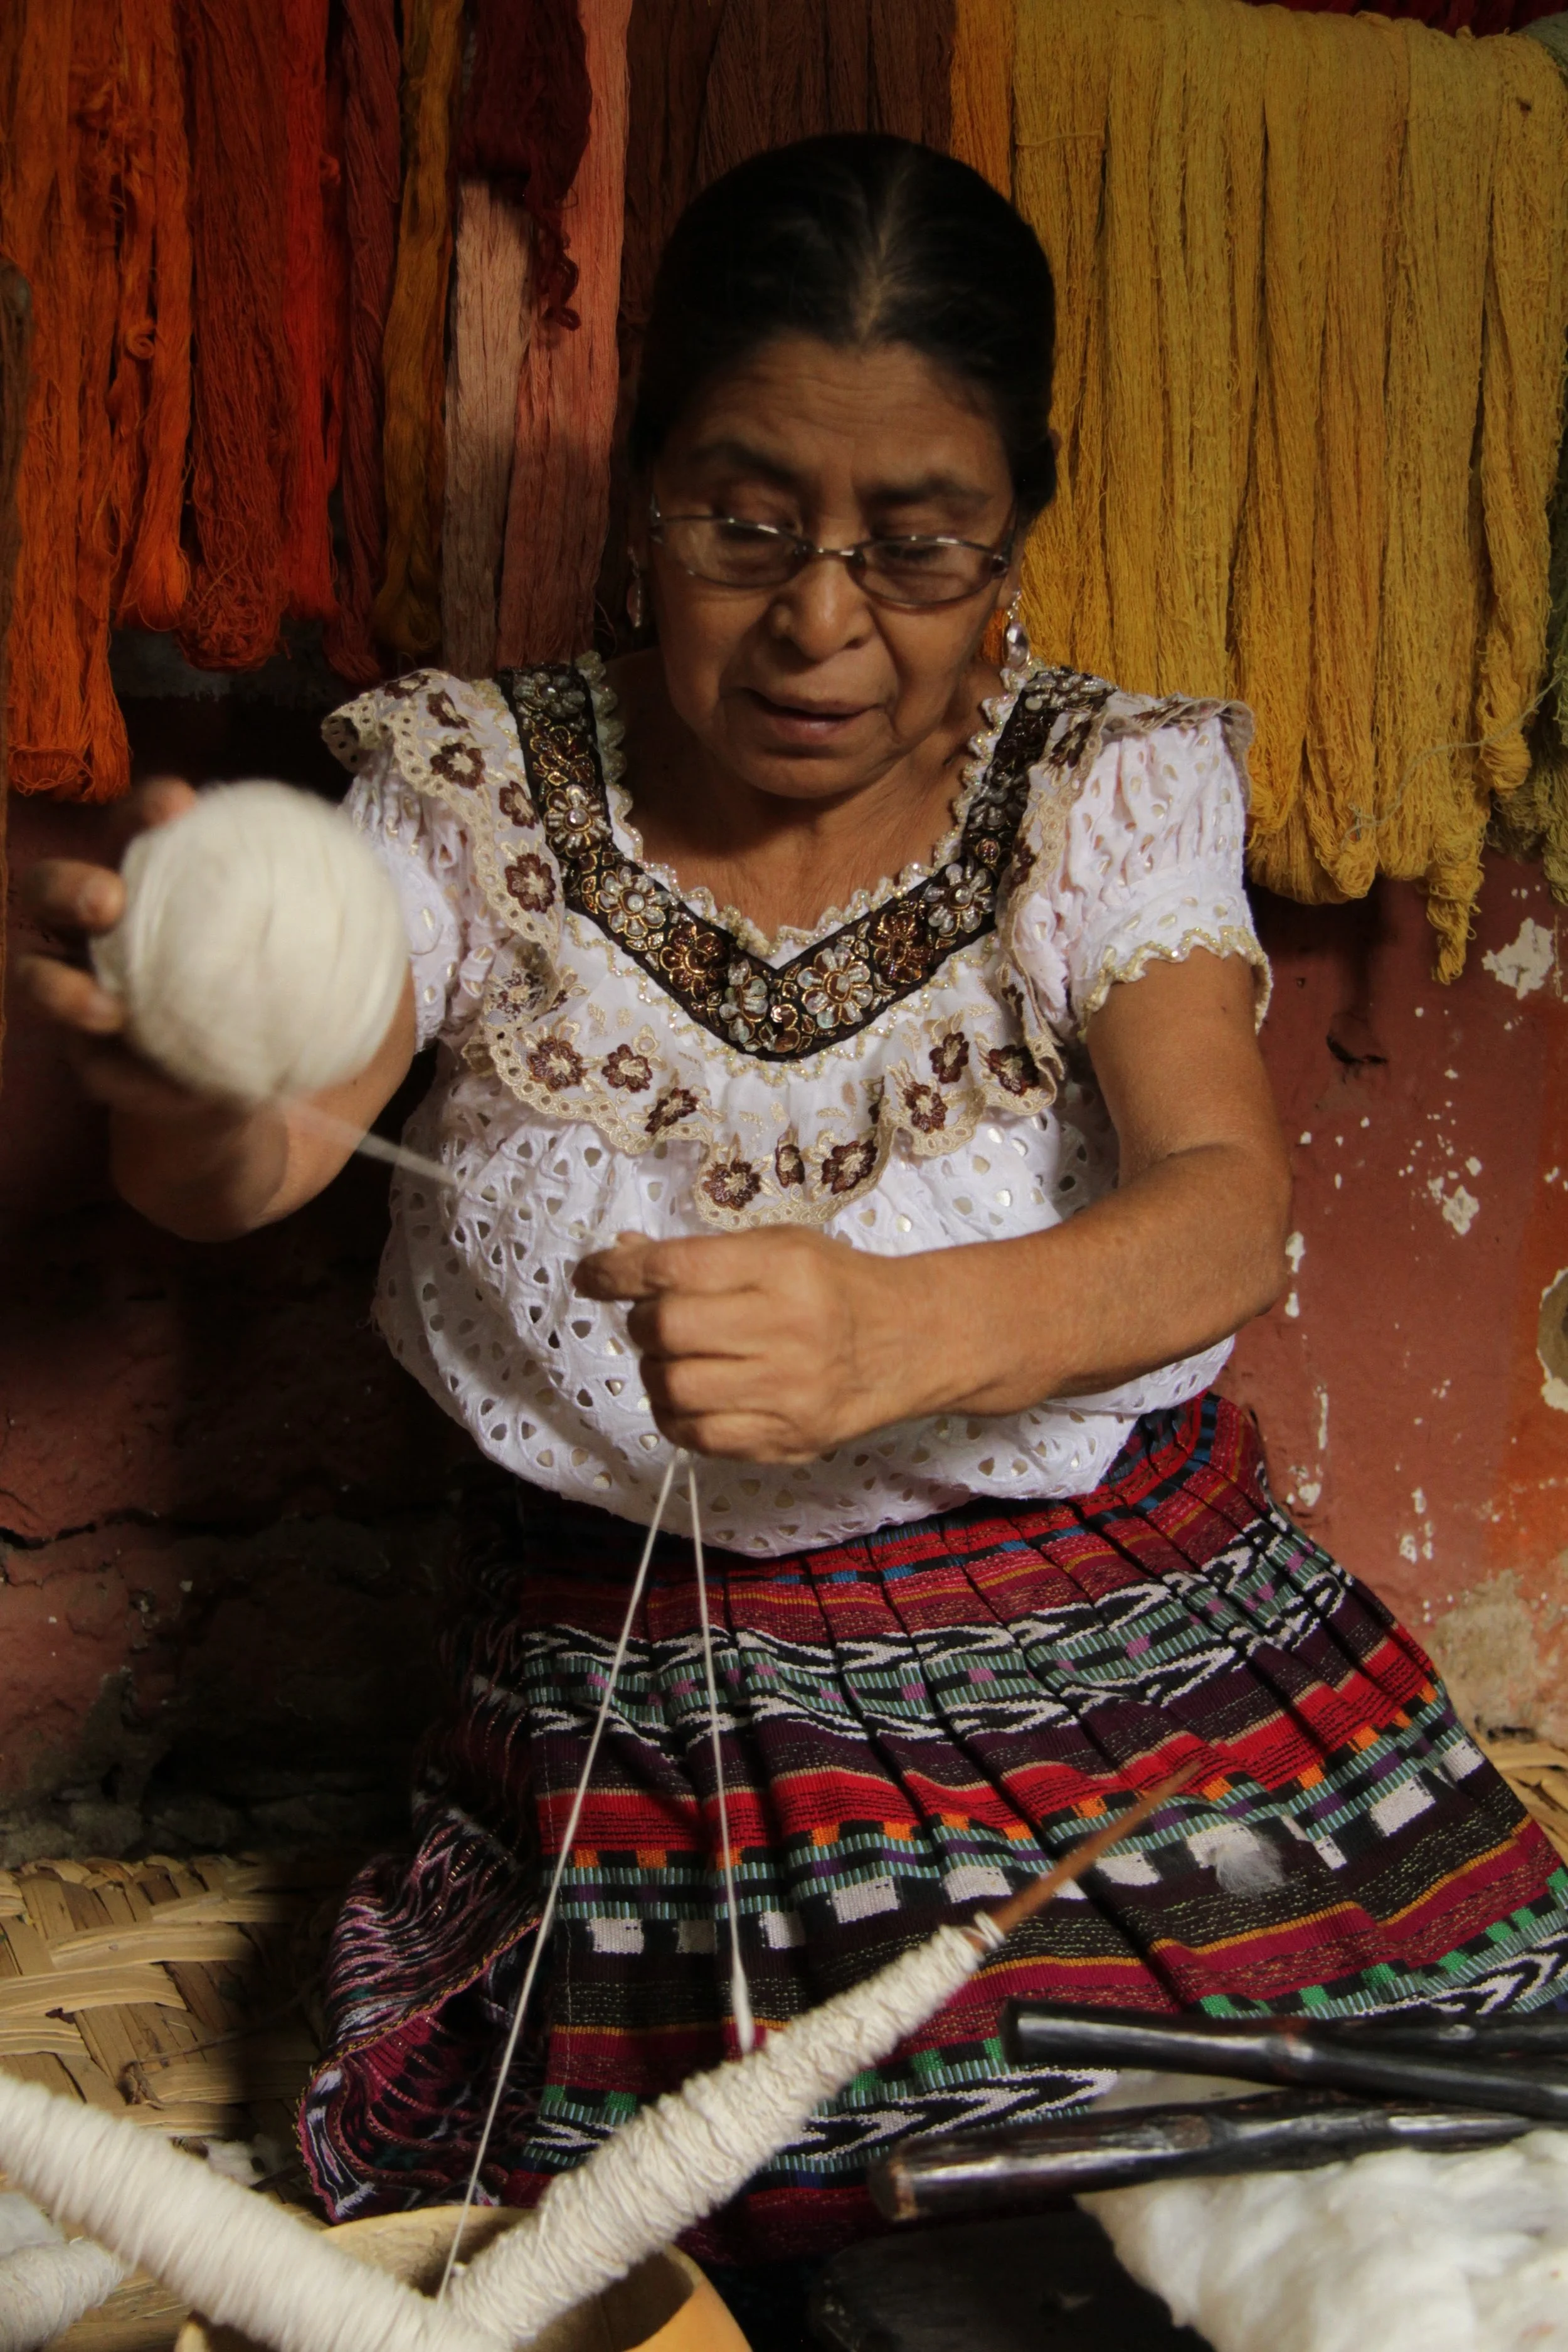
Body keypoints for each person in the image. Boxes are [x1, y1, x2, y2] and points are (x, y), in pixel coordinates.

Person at [23, 136, 1568, 2281]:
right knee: (852, 2194)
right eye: (746, 524)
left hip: (1130, 1627)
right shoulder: (475, 790)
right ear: (643, 492)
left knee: (1354, 2125)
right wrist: (185, 1066)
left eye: (919, 545)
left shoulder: (1095, 786)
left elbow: (1224, 1208)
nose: (822, 621)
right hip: (678, 1675)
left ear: (1021, 520)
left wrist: (893, 1336)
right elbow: (251, 1167)